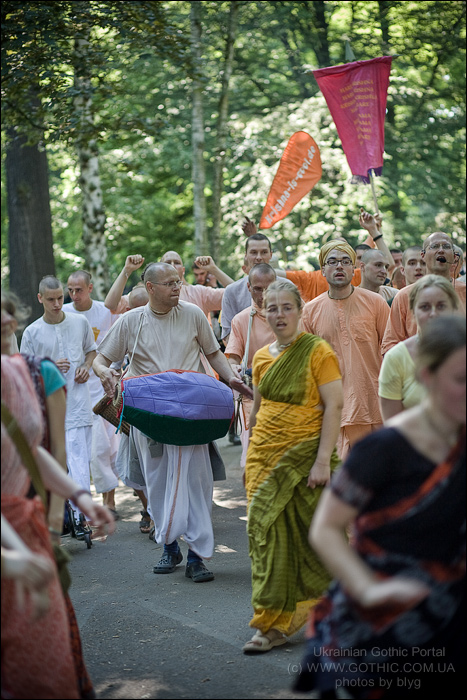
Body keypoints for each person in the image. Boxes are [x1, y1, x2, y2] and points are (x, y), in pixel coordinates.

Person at [293, 314, 465, 698]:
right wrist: (366, 589)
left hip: (452, 616)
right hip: (380, 624)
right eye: (461, 379)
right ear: (426, 376)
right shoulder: (383, 451)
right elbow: (326, 528)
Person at [93, 262, 252, 583]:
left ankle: (196, 556)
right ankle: (169, 545)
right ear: (150, 288)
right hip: (148, 416)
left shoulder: (193, 313)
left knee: (197, 484)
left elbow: (213, 353)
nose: (177, 287)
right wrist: (104, 372)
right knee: (158, 484)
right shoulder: (130, 320)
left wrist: (231, 378)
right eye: (169, 283)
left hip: (192, 413)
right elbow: (100, 359)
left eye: (178, 282)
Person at [1, 295, 115, 700]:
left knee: (46, 669)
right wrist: (11, 558)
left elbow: (32, 452)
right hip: (12, 550)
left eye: (4, 310)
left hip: (25, 536)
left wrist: (79, 498)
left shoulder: (26, 372)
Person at [242, 280, 343, 653]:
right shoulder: (261, 357)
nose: (280, 315)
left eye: (287, 307)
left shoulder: (318, 352)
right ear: (263, 311)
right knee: (264, 539)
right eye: (272, 308)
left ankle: (332, 613)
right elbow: (257, 411)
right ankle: (271, 623)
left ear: (300, 310)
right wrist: (250, 457)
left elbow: (334, 405)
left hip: (305, 460)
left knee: (314, 543)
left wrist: (321, 461)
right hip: (263, 461)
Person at [302, 241, 390, 460]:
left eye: (345, 262)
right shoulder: (310, 311)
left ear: (354, 269)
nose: (339, 267)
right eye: (332, 262)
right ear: (322, 270)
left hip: (374, 407)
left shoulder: (376, 303)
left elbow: (391, 351)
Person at [20, 276, 97, 523]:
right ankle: (66, 516)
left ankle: (81, 516)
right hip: (48, 410)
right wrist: (49, 367)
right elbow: (23, 372)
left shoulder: (79, 322)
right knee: (57, 463)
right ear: (40, 298)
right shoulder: (32, 332)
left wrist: (86, 366)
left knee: (79, 461)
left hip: (78, 402)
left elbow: (91, 350)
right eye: (51, 299)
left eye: (60, 298)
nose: (56, 304)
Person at [64, 270, 121, 518]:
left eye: (79, 289)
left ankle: (110, 500)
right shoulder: (64, 313)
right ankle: (95, 503)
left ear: (90, 288)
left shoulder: (104, 311)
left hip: (105, 386)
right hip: (76, 389)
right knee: (92, 450)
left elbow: (119, 340)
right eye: (70, 290)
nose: (74, 295)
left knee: (109, 448)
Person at [378, 275, 460, 422]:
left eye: (441, 306)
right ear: (413, 312)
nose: (433, 313)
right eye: (425, 307)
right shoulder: (396, 358)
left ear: (453, 308)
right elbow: (393, 429)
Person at [224, 263, 277, 468]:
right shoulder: (241, 320)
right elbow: (232, 359)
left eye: (269, 288)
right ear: (248, 287)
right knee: (256, 464)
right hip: (253, 400)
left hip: (290, 397)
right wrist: (235, 369)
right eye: (257, 289)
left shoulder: (296, 313)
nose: (263, 294)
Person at [382, 231, 466, 354]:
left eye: (446, 246)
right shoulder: (405, 295)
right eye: (435, 246)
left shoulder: (464, 291)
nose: (441, 250)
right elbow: (389, 345)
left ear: (454, 257)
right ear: (423, 255)